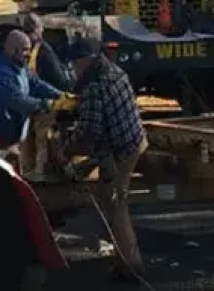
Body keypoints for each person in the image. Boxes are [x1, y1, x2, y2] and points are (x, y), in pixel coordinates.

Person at [59, 36, 148, 282]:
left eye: (76, 62)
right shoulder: (114, 70)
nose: (74, 67)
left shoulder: (94, 86)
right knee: (113, 202)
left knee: (116, 206)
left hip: (122, 150)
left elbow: (88, 132)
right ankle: (123, 261)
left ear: (86, 60)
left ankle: (133, 268)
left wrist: (66, 150)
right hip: (135, 138)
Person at [0, 29, 62, 168]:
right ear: (13, 50)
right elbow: (18, 101)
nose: (29, 54)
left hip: (14, 131)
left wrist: (60, 95)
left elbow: (36, 84)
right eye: (25, 50)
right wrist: (48, 104)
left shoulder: (20, 66)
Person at [19, 12, 75, 179]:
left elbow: (56, 79)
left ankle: (38, 172)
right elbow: (58, 78)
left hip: (41, 102)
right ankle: (36, 172)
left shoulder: (35, 51)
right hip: (38, 102)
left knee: (38, 137)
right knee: (36, 137)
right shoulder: (39, 50)